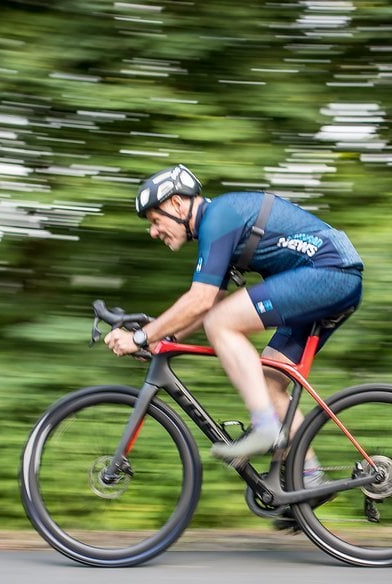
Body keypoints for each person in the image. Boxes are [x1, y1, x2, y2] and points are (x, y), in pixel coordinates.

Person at [105, 164, 364, 478]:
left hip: (329, 274)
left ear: (176, 204)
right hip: (328, 278)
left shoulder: (220, 218)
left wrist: (140, 337)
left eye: (156, 220)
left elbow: (201, 301)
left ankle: (265, 427)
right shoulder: (219, 225)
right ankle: (307, 477)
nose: (153, 231)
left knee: (221, 322)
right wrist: (162, 340)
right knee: (269, 380)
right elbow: (207, 302)